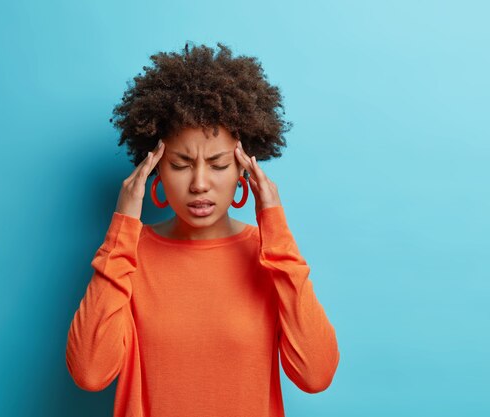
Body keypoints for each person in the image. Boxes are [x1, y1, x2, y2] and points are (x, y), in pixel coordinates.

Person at [66, 41, 340, 417]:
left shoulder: (271, 256)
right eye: (180, 165)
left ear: (244, 169)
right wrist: (122, 228)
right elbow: (90, 373)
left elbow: (316, 375)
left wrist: (274, 228)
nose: (199, 183)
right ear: (155, 169)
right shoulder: (129, 256)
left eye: (218, 164)